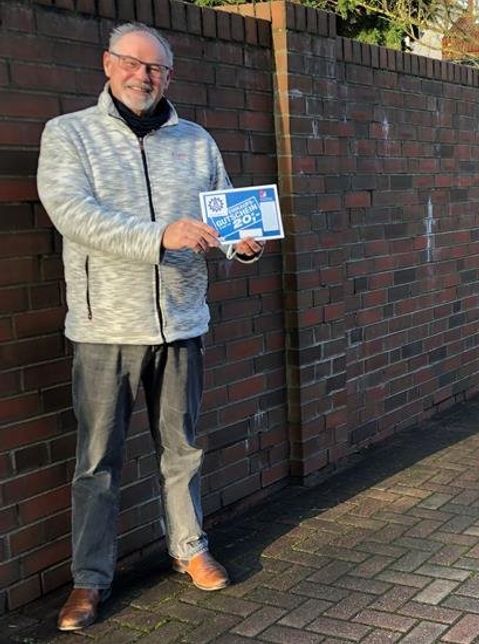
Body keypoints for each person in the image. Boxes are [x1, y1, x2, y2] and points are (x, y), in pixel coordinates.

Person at [36, 23, 264, 631]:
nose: (144, 76)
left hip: (183, 320)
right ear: (108, 65)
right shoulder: (69, 135)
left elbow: (223, 211)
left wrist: (241, 246)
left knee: (183, 449)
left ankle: (190, 550)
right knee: (97, 461)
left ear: (168, 76)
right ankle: (90, 580)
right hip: (104, 326)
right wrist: (157, 236)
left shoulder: (195, 140)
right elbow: (73, 215)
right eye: (134, 64)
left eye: (157, 68)